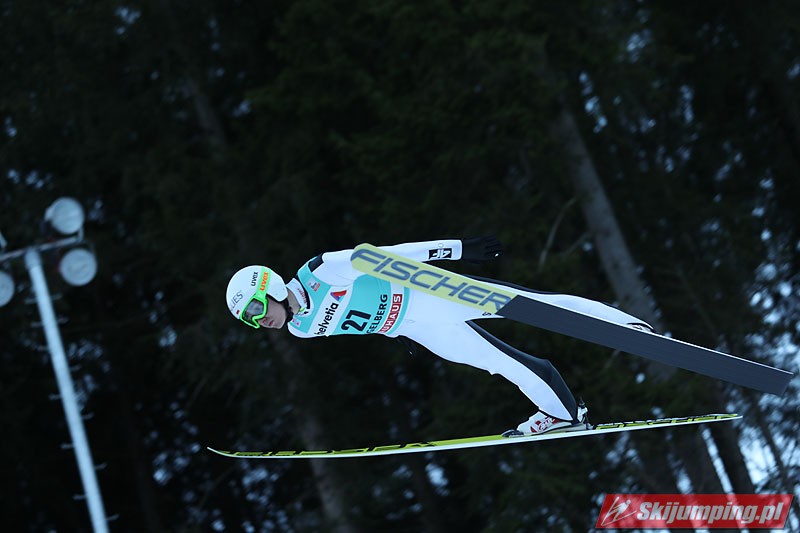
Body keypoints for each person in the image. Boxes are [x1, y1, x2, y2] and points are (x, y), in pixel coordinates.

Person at [225, 238, 653, 435]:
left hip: (430, 295)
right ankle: (562, 413)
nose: (260, 322)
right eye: (250, 320)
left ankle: (623, 326)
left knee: (531, 304)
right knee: (498, 362)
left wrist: (460, 249)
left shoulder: (323, 271)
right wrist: (396, 332)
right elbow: (356, 316)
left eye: (257, 309)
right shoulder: (300, 328)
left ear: (271, 287)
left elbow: (391, 257)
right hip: (417, 328)